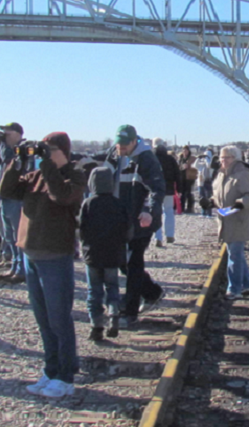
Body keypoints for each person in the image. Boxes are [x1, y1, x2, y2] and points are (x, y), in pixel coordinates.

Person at [0, 132, 86, 399]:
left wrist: (48, 164)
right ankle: (51, 370)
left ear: (63, 151)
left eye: (50, 150)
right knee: (43, 319)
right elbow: (6, 191)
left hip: (55, 256)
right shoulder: (35, 176)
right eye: (43, 150)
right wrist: (17, 163)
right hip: (31, 254)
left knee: (59, 318)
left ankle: (65, 377)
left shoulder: (75, 175)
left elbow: (62, 196)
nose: (44, 154)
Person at [95, 125, 166, 326]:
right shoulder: (115, 153)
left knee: (134, 263)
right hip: (121, 218)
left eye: (125, 144)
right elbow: (101, 172)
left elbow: (157, 189)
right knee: (122, 262)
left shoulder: (146, 159)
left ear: (135, 142)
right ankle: (153, 292)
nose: (121, 147)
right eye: (119, 143)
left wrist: (149, 211)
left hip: (141, 220)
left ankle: (130, 311)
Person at [79, 167, 130, 341]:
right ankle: (114, 313)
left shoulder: (88, 203)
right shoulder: (118, 203)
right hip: (113, 254)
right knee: (112, 287)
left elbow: (82, 230)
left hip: (92, 255)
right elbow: (127, 230)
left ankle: (96, 327)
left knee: (94, 291)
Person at [200, 145, 249, 300]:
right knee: (235, 253)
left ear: (234, 158)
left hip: (239, 220)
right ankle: (247, 284)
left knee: (234, 255)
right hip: (225, 220)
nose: (222, 160)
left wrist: (240, 203)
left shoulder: (242, 174)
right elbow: (219, 196)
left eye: (225, 158)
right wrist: (210, 202)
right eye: (221, 157)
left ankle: (234, 289)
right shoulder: (220, 174)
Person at [0, 122, 29, 282]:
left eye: (8, 131)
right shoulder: (5, 147)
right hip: (5, 198)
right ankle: (14, 266)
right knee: (8, 235)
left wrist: (4, 145)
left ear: (18, 133)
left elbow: (8, 159)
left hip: (17, 198)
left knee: (18, 236)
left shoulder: (23, 148)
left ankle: (22, 269)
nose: (5, 134)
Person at [152, 138, 180, 247]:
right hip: (168, 189)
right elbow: (177, 174)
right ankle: (170, 235)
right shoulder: (170, 159)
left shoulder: (151, 158)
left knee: (156, 213)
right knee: (169, 211)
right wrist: (179, 189)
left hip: (154, 189)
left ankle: (158, 238)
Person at [178, 146, 197, 213]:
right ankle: (182, 207)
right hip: (182, 177)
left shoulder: (192, 158)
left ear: (188, 151)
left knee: (188, 192)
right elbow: (179, 166)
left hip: (190, 177)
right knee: (182, 193)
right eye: (183, 150)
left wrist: (188, 165)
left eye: (186, 150)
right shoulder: (181, 158)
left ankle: (190, 207)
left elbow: (195, 166)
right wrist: (181, 167)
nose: (184, 152)